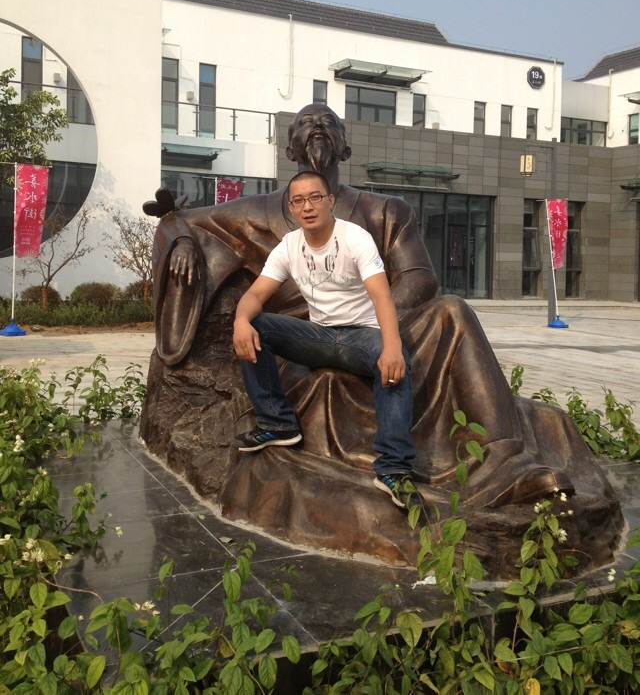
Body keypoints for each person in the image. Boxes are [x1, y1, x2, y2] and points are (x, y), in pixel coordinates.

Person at [141, 103, 621, 568]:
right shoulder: (264, 215)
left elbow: (417, 278)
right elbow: (187, 221)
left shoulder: (382, 212)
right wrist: (181, 241)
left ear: (344, 150)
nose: (317, 128)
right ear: (289, 150)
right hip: (309, 336)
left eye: (328, 123)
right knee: (255, 324)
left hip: (377, 325)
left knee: (452, 311)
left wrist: (387, 336)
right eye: (305, 123)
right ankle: (279, 424)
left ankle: (502, 459)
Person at [232, 170, 421, 511]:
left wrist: (392, 346)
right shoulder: (289, 246)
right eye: (299, 200)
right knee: (255, 325)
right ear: (291, 208)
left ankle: (393, 468)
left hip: (361, 335)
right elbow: (256, 294)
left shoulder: (355, 238)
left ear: (330, 200)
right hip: (318, 337)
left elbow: (381, 296)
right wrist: (241, 321)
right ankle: (278, 424)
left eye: (315, 197)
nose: (308, 206)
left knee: (395, 361)